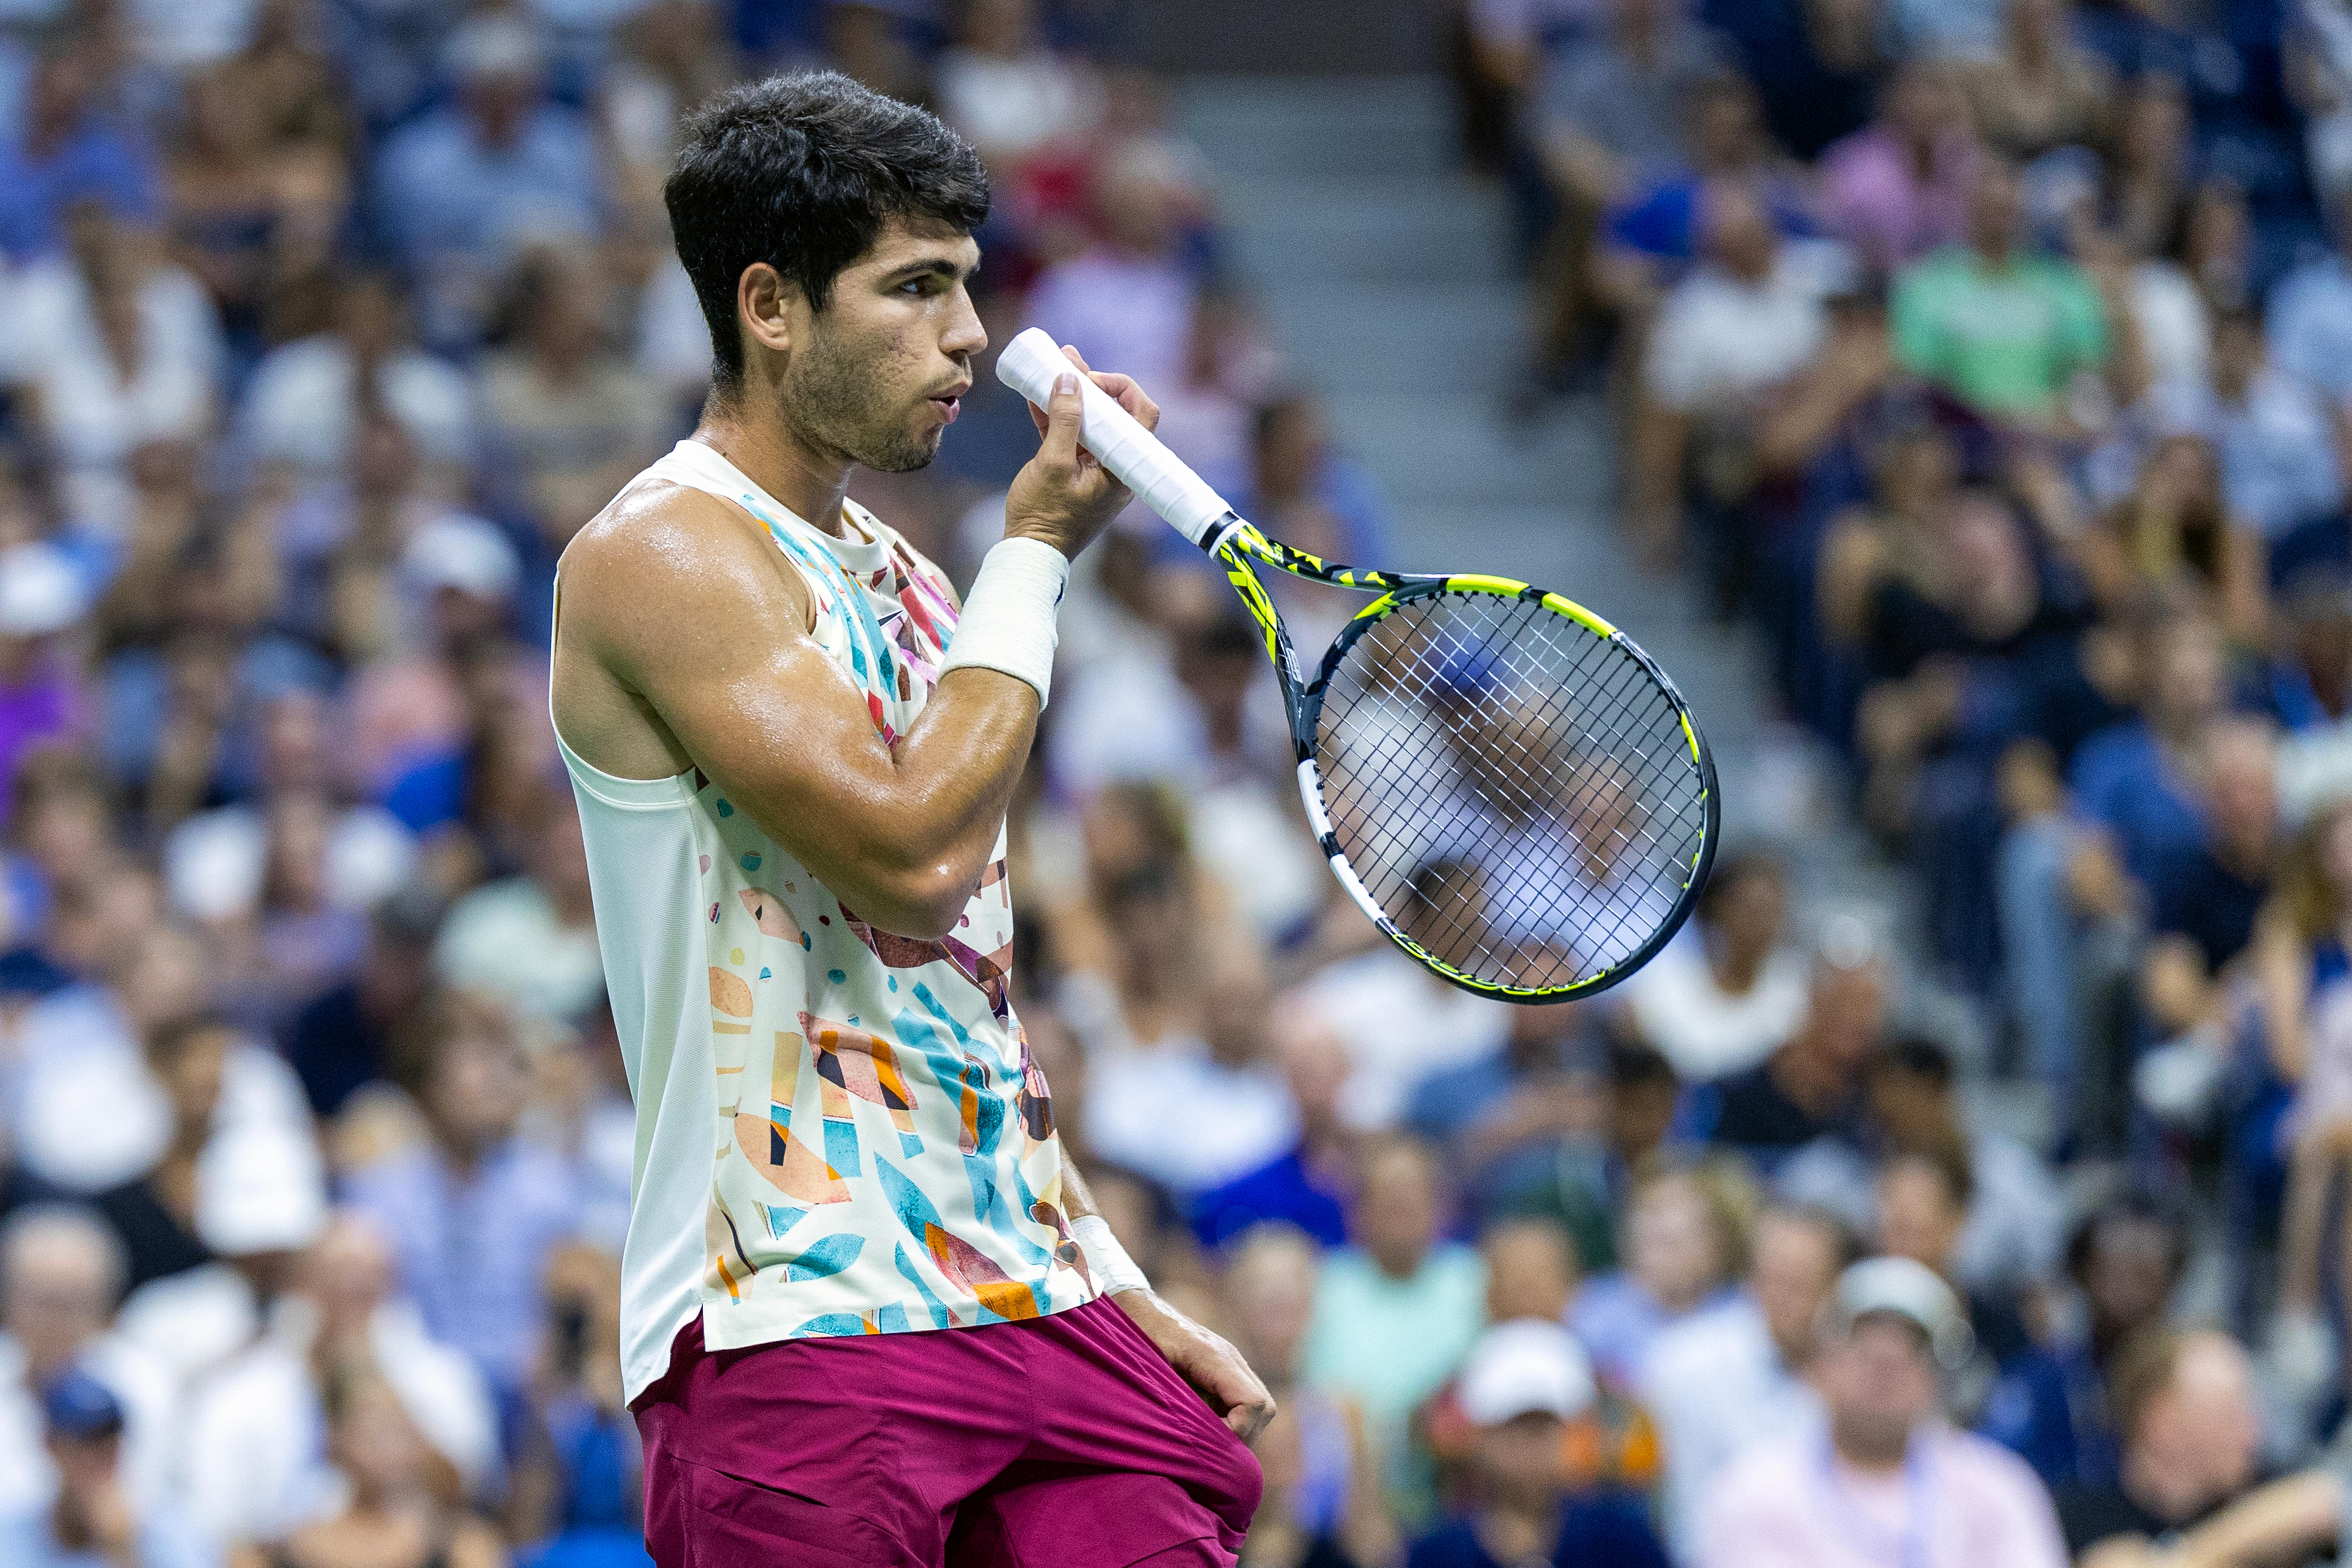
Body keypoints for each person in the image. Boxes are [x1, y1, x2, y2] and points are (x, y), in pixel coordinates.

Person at [546, 73, 1265, 1565]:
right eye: (917, 288)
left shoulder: (919, 581)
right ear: (769, 306)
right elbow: (914, 858)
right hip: (789, 1304)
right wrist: (1041, 555)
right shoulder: (661, 553)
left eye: (969, 287)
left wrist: (1112, 1275)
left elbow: (959, 1003)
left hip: (1025, 1292)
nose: (969, 339)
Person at [1694, 1257, 2070, 1568]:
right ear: (1822, 1366)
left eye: (1909, 1353)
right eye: (1865, 1350)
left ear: (1936, 1380)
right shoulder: (1752, 1490)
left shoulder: (1998, 1489)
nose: (1885, 1367)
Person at [1641, 1204, 1853, 1556]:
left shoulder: (1855, 1372)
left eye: (1801, 1284)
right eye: (1773, 1279)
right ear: (1751, 1279)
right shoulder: (1682, 1366)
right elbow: (1676, 1514)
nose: (1784, 1298)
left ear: (1835, 1288)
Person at [2053, 1330, 2346, 1564]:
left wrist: (2171, 1559)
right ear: (2163, 1424)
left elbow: (2319, 1503)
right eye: (2230, 1413)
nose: (2253, 1432)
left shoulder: (2258, 1483)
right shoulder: (2080, 1517)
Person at [1405, 1321, 1670, 1568]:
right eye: (1514, 1425)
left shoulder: (1623, 1539)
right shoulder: (1435, 1553)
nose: (1530, 1444)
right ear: (1481, 1437)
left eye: (1545, 1425)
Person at [0, 1367, 216, 1568]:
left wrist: (123, 1554)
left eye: (111, 1437)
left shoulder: (171, 1529)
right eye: (86, 1440)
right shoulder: (11, 1533)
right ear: (52, 1445)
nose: (103, 1453)